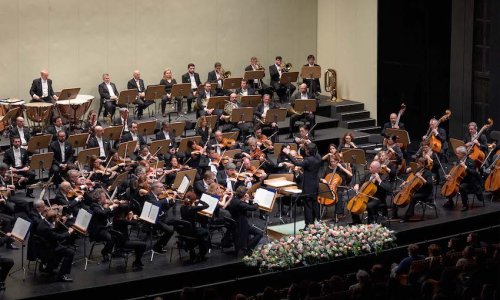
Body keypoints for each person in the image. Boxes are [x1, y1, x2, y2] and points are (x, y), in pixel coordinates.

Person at [283, 143, 322, 226]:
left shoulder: (308, 160)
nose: (306, 150)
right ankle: (317, 221)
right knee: (315, 203)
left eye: (307, 149)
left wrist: (288, 153)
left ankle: (308, 225)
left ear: (309, 151)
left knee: (308, 205)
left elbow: (296, 163)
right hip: (315, 184)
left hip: (308, 186)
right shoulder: (318, 157)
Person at [35, 208, 76, 282]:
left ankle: (49, 269)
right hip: (48, 249)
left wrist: (56, 224)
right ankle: (62, 275)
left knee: (62, 248)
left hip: (44, 246)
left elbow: (53, 234)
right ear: (52, 218)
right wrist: (69, 232)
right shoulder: (46, 228)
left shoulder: (43, 222)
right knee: (70, 252)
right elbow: (58, 237)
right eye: (56, 217)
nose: (57, 218)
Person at [443, 146, 485, 211]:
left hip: (470, 182)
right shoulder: (459, 161)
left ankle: (465, 205)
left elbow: (474, 173)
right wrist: (450, 175)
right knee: (445, 182)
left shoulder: (471, 161)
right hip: (461, 180)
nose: (456, 154)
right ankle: (450, 201)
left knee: (462, 187)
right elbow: (455, 170)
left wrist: (465, 167)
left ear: (463, 154)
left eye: (458, 153)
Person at [226, 186, 262, 255]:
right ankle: (248, 248)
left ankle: (247, 247)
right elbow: (253, 208)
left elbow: (245, 206)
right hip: (241, 224)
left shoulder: (234, 200)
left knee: (258, 233)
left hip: (238, 222)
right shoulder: (240, 203)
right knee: (259, 234)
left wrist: (247, 200)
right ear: (245, 195)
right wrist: (256, 202)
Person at [395, 157, 434, 222]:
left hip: (425, 193)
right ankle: (394, 214)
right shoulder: (418, 171)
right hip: (417, 190)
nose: (417, 164)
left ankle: (408, 216)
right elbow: (413, 180)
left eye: (418, 163)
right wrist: (407, 182)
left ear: (423, 165)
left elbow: (429, 184)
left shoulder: (428, 172)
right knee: (396, 192)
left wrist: (421, 177)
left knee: (414, 197)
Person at [112, 207, 146, 271]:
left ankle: (138, 262)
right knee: (143, 245)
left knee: (139, 242)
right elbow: (134, 223)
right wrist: (134, 218)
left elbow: (126, 222)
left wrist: (129, 217)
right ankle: (136, 262)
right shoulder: (122, 220)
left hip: (118, 242)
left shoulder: (115, 219)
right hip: (124, 243)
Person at [180, 192, 209, 262]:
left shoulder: (182, 208)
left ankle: (192, 251)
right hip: (192, 231)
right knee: (205, 232)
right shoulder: (193, 208)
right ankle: (202, 253)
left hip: (185, 231)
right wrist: (199, 201)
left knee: (201, 233)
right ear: (193, 200)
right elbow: (207, 205)